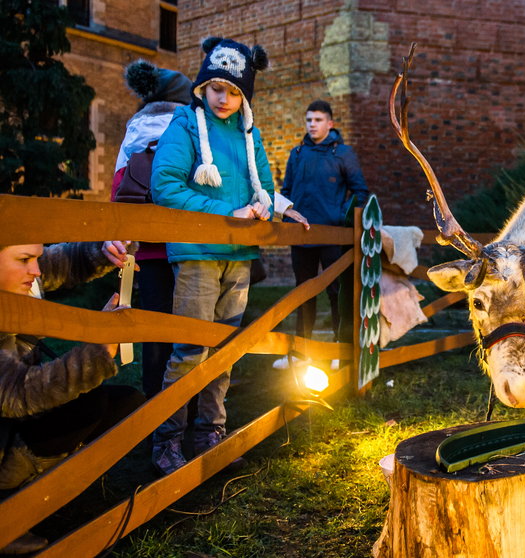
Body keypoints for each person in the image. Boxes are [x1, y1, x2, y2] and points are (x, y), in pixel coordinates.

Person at [150, 37, 305, 476]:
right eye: (217, 87)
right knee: (190, 349)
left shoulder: (248, 134)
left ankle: (209, 432)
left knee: (226, 348)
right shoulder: (184, 124)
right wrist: (228, 213)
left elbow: (262, 189)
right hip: (198, 253)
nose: (225, 98)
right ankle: (167, 440)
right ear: (203, 86)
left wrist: (277, 205)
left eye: (234, 91)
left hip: (239, 255)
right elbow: (165, 186)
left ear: (244, 95)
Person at [0, 241, 144, 554]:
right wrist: (93, 355)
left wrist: (104, 248)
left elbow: (65, 262)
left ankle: (41, 495)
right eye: (25, 259)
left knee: (126, 403)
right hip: (6, 424)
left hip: (18, 418)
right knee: (86, 407)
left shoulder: (26, 272)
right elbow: (13, 393)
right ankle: (8, 510)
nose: (37, 270)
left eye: (37, 257)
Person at [111, 59, 192, 400]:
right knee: (190, 330)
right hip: (187, 246)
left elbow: (118, 188)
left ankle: (154, 405)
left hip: (147, 249)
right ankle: (186, 406)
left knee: (156, 329)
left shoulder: (134, 135)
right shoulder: (186, 131)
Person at [280, 100, 369, 346]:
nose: (312, 125)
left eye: (318, 120)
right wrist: (287, 214)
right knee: (302, 294)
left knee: (335, 293)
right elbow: (286, 190)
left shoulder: (342, 153)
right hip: (301, 235)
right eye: (309, 120)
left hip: (332, 236)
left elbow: (360, 192)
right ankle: (300, 351)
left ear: (329, 123)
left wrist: (340, 217)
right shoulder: (296, 154)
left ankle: (339, 348)